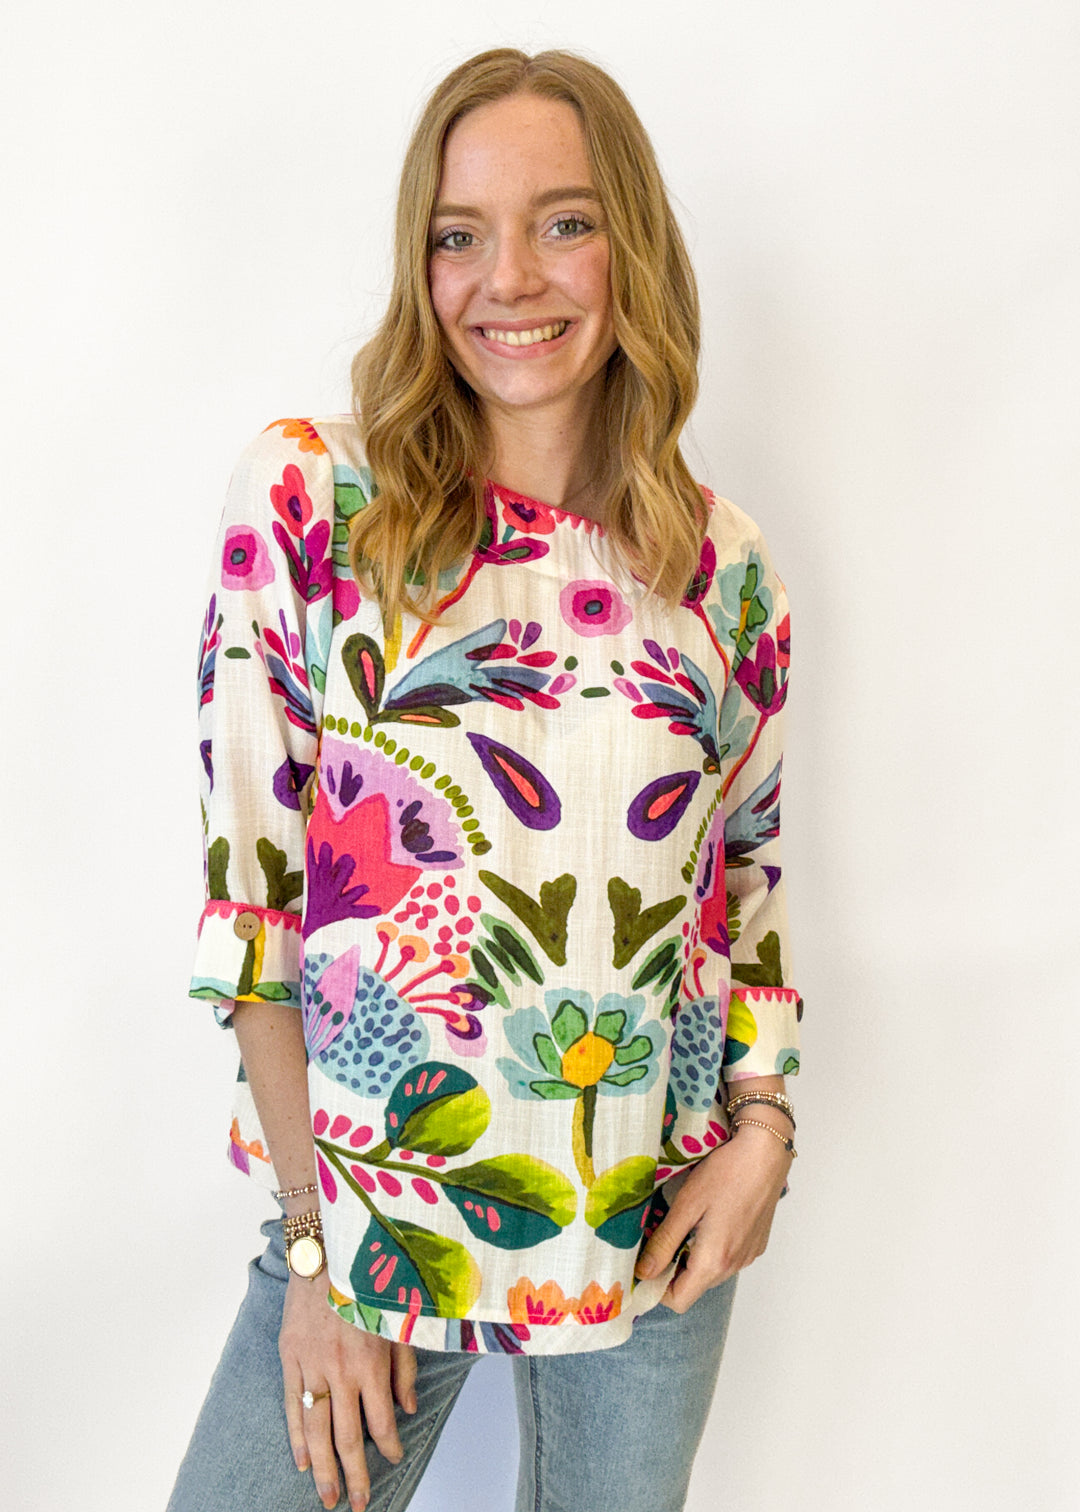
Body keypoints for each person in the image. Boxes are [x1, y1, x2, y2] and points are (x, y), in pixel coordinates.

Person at [170, 46, 802, 1512]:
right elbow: (252, 906)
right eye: (460, 235)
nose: (508, 277)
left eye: (563, 222)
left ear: (631, 246)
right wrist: (320, 1252)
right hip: (371, 1224)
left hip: (654, 1223)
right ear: (421, 262)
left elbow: (749, 886)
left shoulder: (727, 569)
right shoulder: (316, 502)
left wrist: (764, 1134)